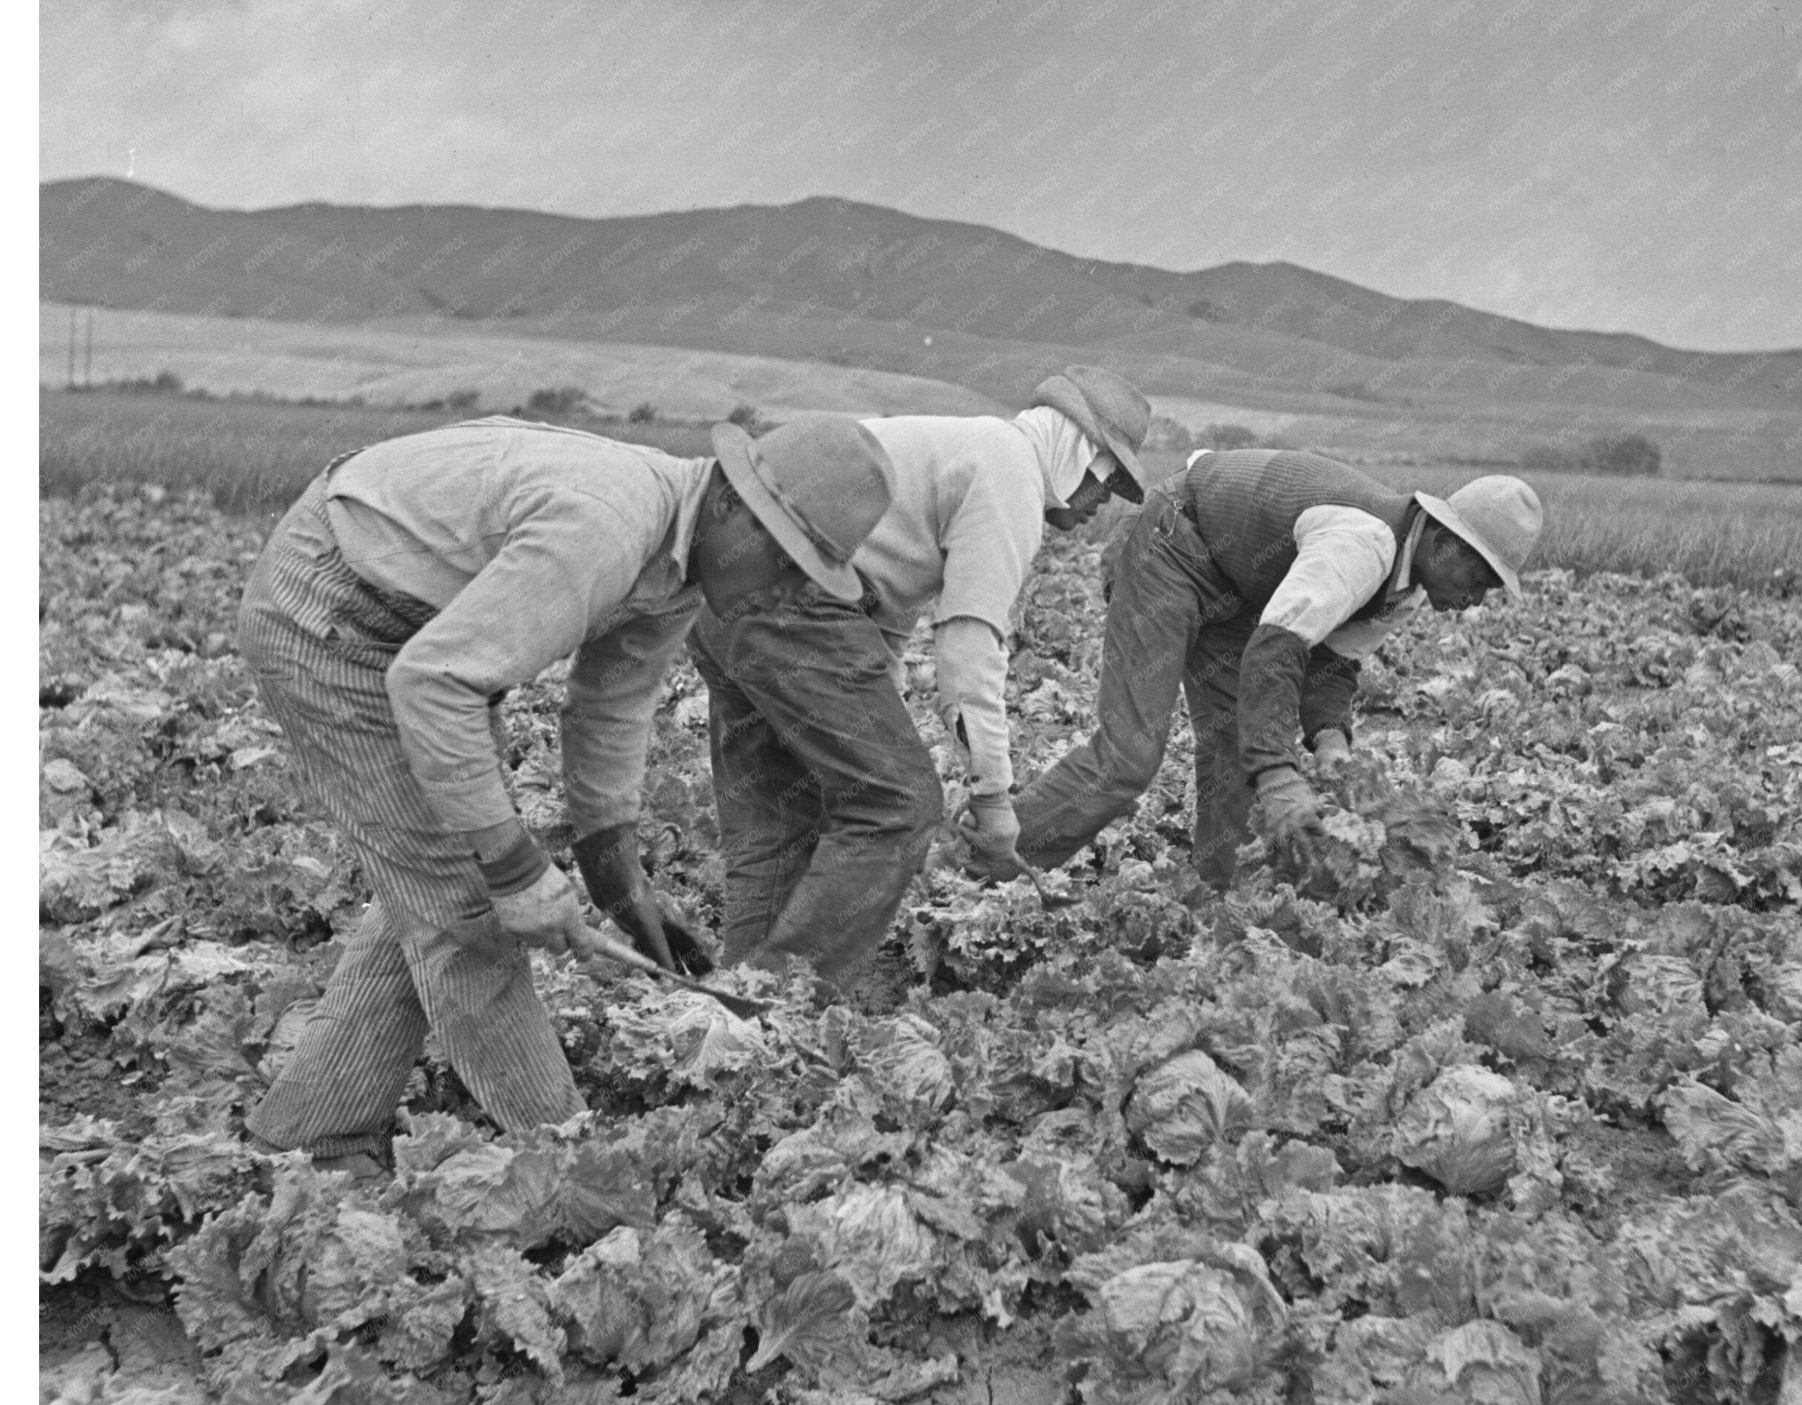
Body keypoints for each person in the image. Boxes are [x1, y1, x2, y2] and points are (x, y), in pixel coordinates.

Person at [239, 411, 938, 1169]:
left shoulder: (683, 562)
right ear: (736, 506)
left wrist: (615, 875)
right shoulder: (607, 527)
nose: (788, 588)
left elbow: (611, 702)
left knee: (436, 888)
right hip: (336, 620)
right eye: (788, 560)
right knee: (469, 912)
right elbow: (434, 685)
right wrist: (514, 870)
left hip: (415, 633)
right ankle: (578, 1167)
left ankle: (315, 1129)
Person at [1009, 446, 1543, 888]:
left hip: (1240, 588)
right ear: (1447, 543)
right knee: (1130, 754)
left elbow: (1330, 661)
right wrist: (1280, 772)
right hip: (1173, 542)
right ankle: (989, 863)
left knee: (1235, 757)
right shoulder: (1367, 544)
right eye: (1480, 579)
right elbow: (1276, 649)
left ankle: (1219, 902)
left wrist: (1332, 743)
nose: (1476, 598)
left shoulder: (1407, 587)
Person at [849, 366, 1151, 879]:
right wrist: (992, 800)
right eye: (1107, 481)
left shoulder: (983, 448)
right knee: (898, 800)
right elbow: (969, 649)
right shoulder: (1010, 473)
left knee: (784, 813)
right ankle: (825, 950)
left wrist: (883, 715)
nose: (1104, 500)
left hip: (750, 584)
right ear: (1079, 454)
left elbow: (885, 609)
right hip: (790, 598)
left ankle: (761, 957)